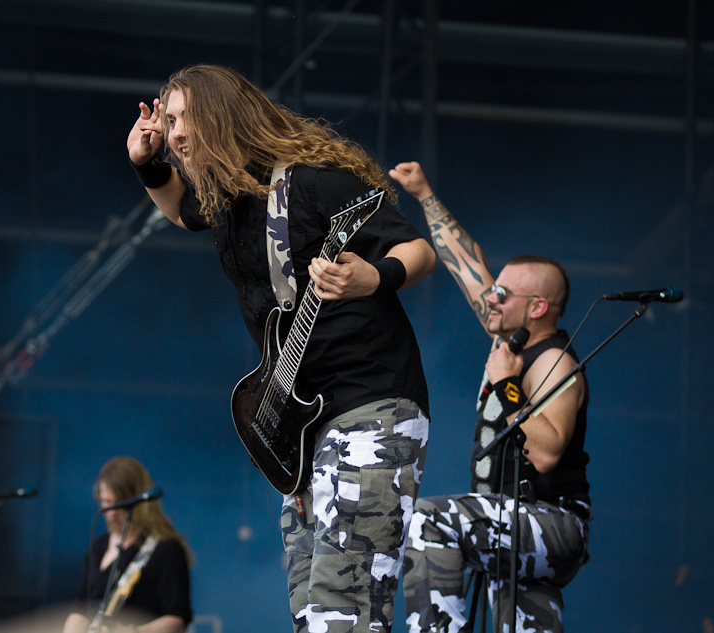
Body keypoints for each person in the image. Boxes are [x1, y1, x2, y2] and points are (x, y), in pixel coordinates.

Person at [126, 64, 435, 632]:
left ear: (220, 117)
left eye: (179, 120)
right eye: (166, 123)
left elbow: (417, 249)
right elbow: (177, 211)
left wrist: (374, 276)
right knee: (312, 614)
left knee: (347, 607)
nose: (171, 135)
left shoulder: (315, 180)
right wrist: (145, 164)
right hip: (298, 430)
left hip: (370, 404)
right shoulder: (226, 196)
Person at [389, 162, 591, 633]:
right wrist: (423, 194)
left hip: (553, 523)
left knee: (426, 522)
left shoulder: (554, 361)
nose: (491, 298)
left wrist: (507, 388)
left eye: (503, 293)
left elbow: (544, 453)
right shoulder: (512, 339)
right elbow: (466, 263)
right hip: (512, 526)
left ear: (537, 307)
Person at [62, 456, 193, 633]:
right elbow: (80, 610)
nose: (113, 512)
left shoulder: (166, 549)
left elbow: (177, 620)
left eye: (120, 504)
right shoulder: (98, 547)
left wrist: (134, 632)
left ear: (139, 501)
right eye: (106, 502)